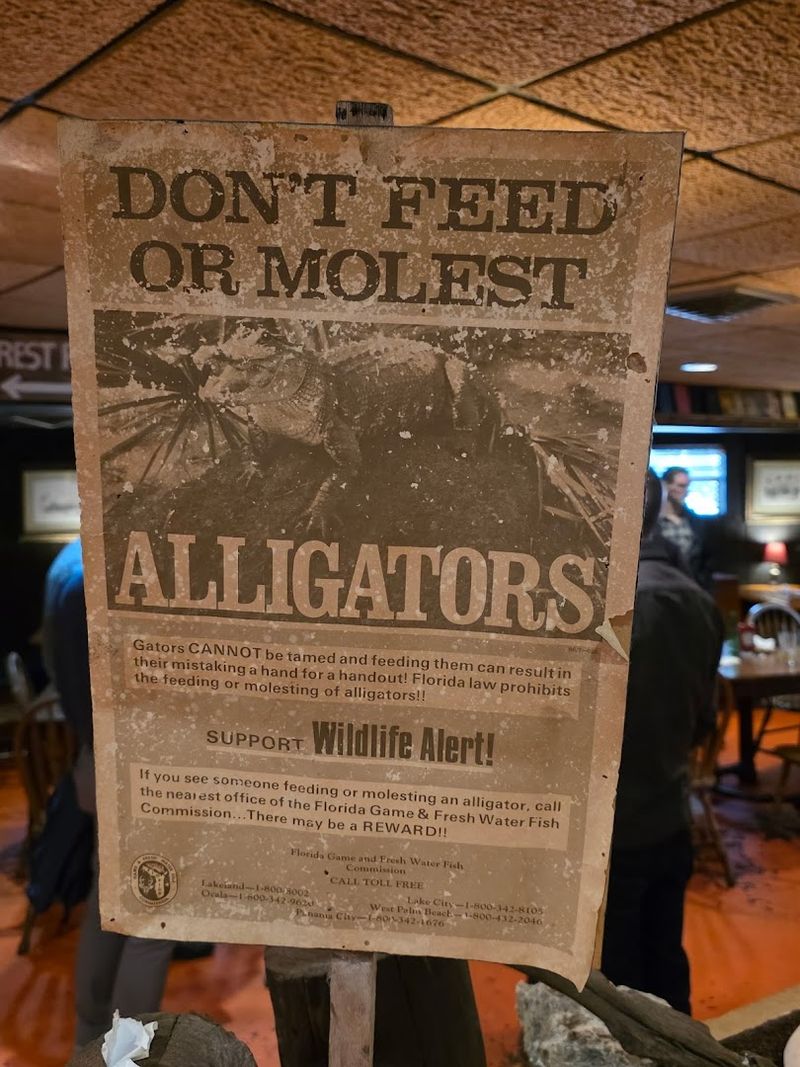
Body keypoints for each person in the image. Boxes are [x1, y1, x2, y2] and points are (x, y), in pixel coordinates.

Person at [41, 540, 175, 1047]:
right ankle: (127, 1056)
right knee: (156, 917)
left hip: (94, 757)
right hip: (140, 764)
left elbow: (57, 666)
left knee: (111, 898)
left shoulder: (68, 564)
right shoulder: (115, 573)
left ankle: (89, 1037)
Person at [601, 470, 723, 1014]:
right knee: (667, 965)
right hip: (672, 817)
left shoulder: (608, 608)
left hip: (612, 831)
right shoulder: (699, 601)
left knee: (618, 991)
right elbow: (703, 724)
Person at [657, 466, 712, 589]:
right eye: (681, 486)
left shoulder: (695, 521)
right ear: (666, 486)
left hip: (690, 586)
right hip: (661, 586)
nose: (685, 491)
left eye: (687, 486)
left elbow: (704, 560)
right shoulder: (653, 522)